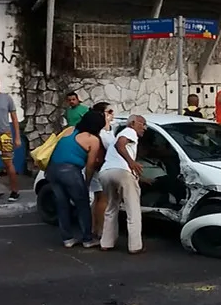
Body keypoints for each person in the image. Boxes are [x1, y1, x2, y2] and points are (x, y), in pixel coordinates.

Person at [46, 110, 105, 248]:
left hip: (52, 170)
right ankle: (87, 239)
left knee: (62, 204)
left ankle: (67, 239)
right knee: (82, 204)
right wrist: (87, 182)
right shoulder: (93, 140)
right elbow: (90, 165)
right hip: (70, 171)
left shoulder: (70, 130)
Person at [99, 114, 147, 254]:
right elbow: (120, 144)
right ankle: (135, 246)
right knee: (133, 210)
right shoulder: (128, 131)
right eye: (142, 124)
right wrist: (131, 163)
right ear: (132, 123)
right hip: (122, 172)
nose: (144, 128)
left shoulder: (122, 133)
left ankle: (106, 243)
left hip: (106, 172)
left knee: (111, 207)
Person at [88, 102, 115, 238]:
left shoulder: (101, 129)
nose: (112, 115)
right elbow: (111, 146)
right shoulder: (102, 132)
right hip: (101, 167)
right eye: (109, 112)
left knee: (98, 198)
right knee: (103, 198)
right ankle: (101, 229)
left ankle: (94, 227)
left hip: (95, 167)